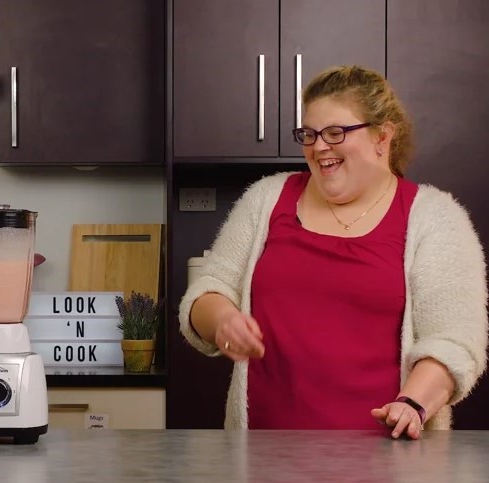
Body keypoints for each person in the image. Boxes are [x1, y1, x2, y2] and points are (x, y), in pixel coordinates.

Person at [178, 65, 488, 439]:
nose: (318, 146)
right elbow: (210, 289)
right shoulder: (266, 199)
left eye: (336, 132)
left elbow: (455, 342)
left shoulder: (436, 217)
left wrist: (414, 403)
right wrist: (222, 319)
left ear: (382, 137)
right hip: (263, 455)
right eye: (308, 134)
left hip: (389, 461)